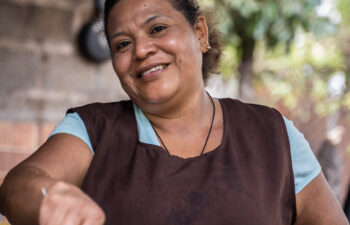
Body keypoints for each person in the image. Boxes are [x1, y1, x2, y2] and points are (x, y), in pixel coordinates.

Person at [0, 0, 348, 224]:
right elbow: (18, 185)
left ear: (200, 33)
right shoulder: (92, 129)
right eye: (123, 43)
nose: (142, 50)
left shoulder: (274, 133)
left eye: (157, 29)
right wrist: (49, 198)